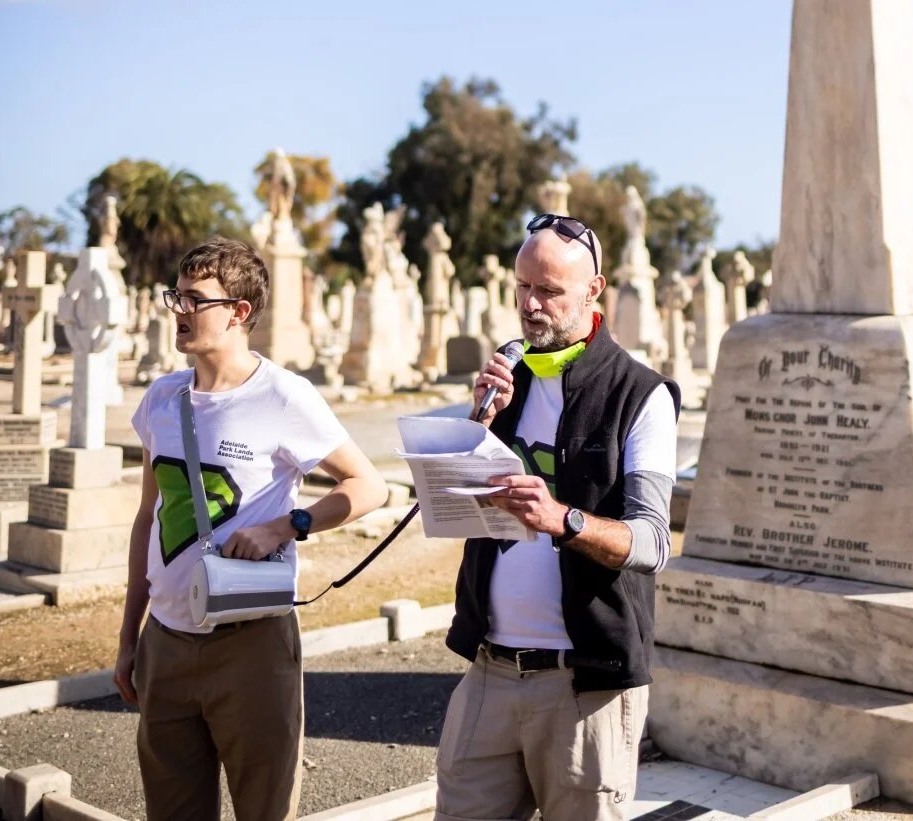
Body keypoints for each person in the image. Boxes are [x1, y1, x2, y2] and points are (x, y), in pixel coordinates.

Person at [113, 237, 388, 821]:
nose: (179, 311)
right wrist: (128, 636)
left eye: (195, 300)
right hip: (165, 639)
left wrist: (287, 526)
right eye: (176, 298)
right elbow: (148, 519)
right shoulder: (161, 400)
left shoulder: (284, 396)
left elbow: (369, 486)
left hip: (252, 645)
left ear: (239, 313)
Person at [435, 214, 680, 820]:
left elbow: (651, 543)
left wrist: (562, 520)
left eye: (549, 291)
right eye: (523, 287)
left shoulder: (638, 395)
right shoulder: (505, 385)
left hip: (583, 688)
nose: (531, 305)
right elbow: (456, 510)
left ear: (593, 292)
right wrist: (477, 429)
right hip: (490, 670)